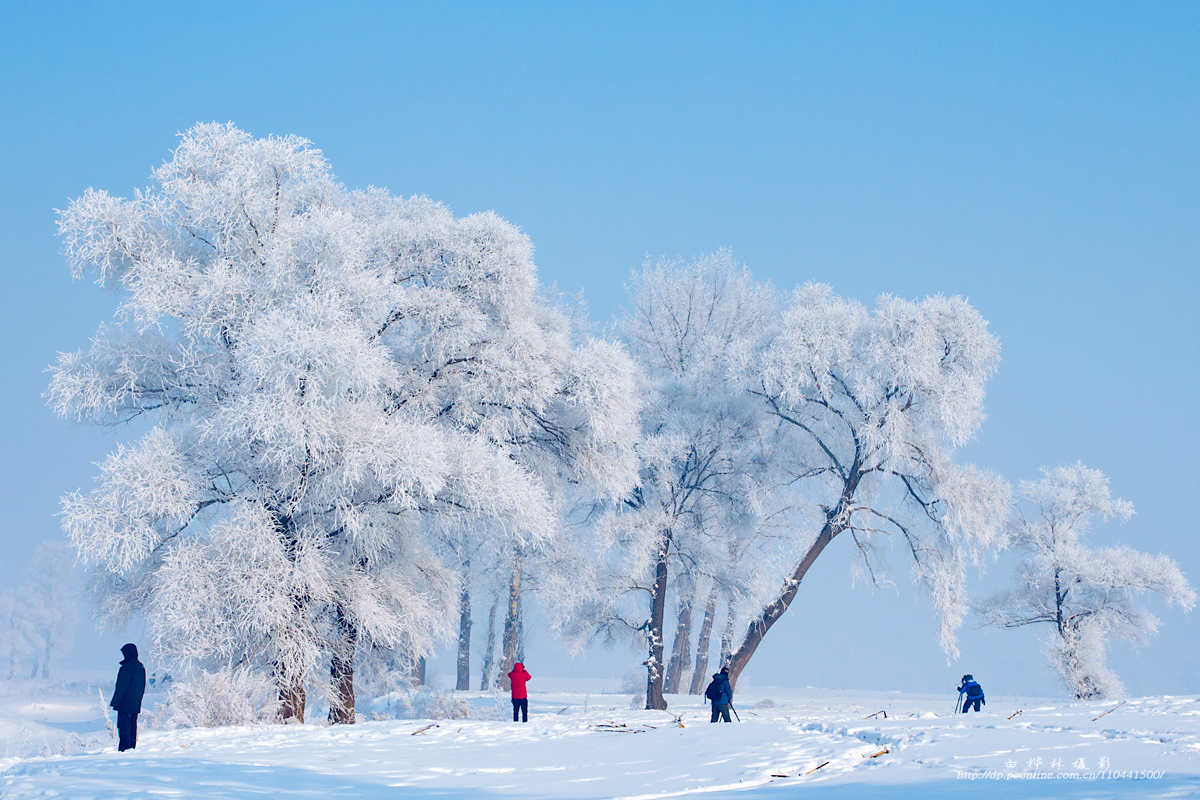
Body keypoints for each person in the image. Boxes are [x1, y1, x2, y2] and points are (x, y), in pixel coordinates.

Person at [110, 643, 147, 751]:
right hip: (135, 704)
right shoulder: (141, 667)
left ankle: (124, 750)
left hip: (124, 704)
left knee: (124, 728)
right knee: (132, 727)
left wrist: (115, 701)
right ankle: (131, 748)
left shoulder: (126, 667)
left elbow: (121, 686)